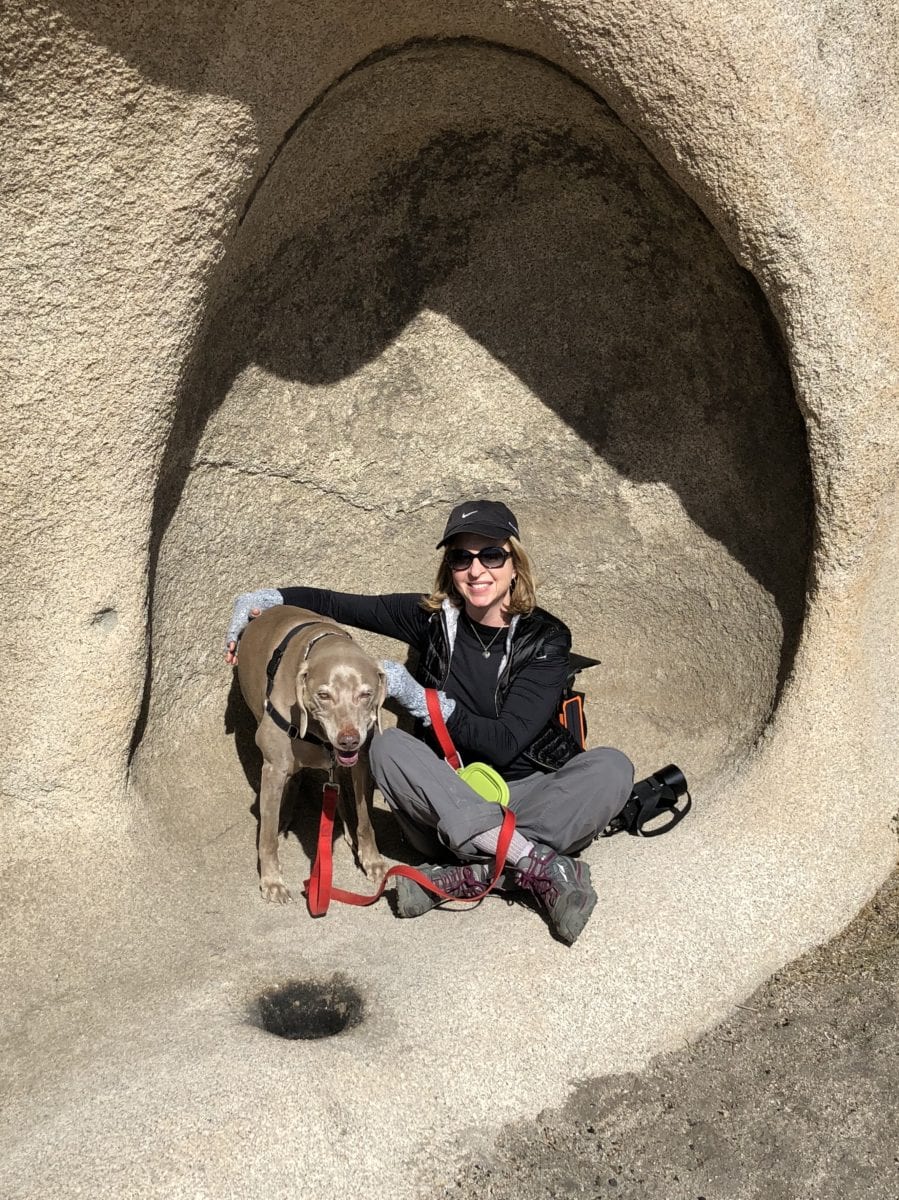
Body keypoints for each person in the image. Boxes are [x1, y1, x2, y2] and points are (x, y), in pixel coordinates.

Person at [224, 500, 634, 945]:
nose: (476, 570)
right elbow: (335, 603)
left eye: (491, 555)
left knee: (613, 767)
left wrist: (421, 700)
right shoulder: (432, 618)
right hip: (444, 797)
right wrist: (269, 598)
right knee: (385, 747)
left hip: (525, 792)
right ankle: (532, 863)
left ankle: (475, 870)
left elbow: (505, 742)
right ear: (449, 568)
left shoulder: (547, 638)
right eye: (461, 557)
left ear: (515, 564)